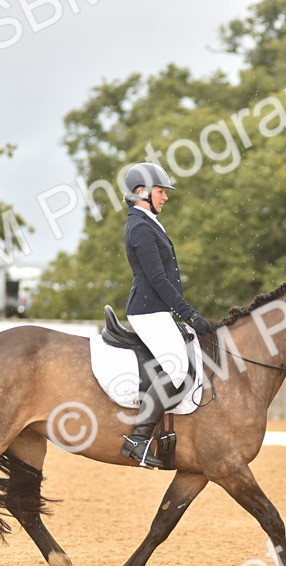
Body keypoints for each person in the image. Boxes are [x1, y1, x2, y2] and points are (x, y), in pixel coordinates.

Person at [120, 162, 215, 468]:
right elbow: (158, 279)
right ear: (141, 192)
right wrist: (190, 315)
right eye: (160, 191)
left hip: (157, 309)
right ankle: (137, 439)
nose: (165, 197)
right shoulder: (140, 227)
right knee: (176, 370)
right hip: (148, 311)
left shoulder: (148, 223)